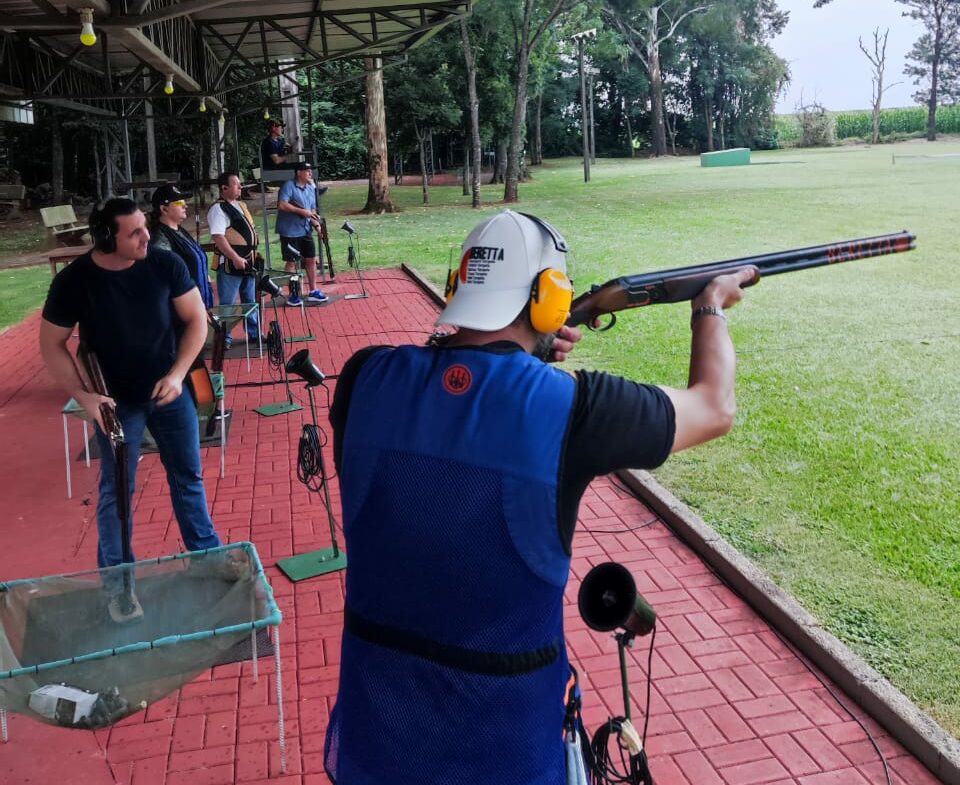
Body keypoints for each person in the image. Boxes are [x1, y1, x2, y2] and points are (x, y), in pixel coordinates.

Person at [322, 210, 756, 785]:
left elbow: (448, 400)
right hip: (504, 750)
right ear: (550, 301)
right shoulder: (575, 408)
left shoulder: (362, 377)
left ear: (460, 285)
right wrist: (710, 306)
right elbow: (714, 407)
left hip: (375, 739)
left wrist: (519, 363)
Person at [39, 197, 224, 623]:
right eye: (135, 232)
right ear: (107, 238)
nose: (146, 237)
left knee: (188, 476)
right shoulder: (74, 281)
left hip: (169, 393)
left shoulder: (163, 265)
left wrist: (178, 374)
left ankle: (207, 560)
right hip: (115, 403)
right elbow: (52, 345)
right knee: (117, 491)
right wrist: (85, 397)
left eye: (145, 227)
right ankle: (119, 587)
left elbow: (198, 320)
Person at [207, 172, 260, 345]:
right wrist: (235, 257)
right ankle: (225, 337)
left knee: (250, 300)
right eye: (236, 184)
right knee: (228, 304)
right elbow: (219, 238)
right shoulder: (218, 209)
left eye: (240, 184)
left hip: (248, 260)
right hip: (230, 263)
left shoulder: (241, 205)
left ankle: (253, 334)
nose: (240, 187)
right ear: (224, 188)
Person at [148, 185, 214, 309]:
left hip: (200, 304)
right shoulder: (160, 239)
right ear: (164, 209)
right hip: (183, 310)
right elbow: (163, 279)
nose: (185, 206)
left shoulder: (180, 230)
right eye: (179, 202)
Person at [276, 161, 328, 306]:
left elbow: (311, 211)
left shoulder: (311, 188)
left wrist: (316, 223)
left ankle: (313, 291)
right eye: (306, 171)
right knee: (291, 263)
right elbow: (282, 204)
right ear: (298, 172)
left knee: (311, 259)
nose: (310, 173)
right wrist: (301, 212)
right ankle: (293, 294)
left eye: (310, 170)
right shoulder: (288, 185)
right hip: (290, 231)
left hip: (305, 229)